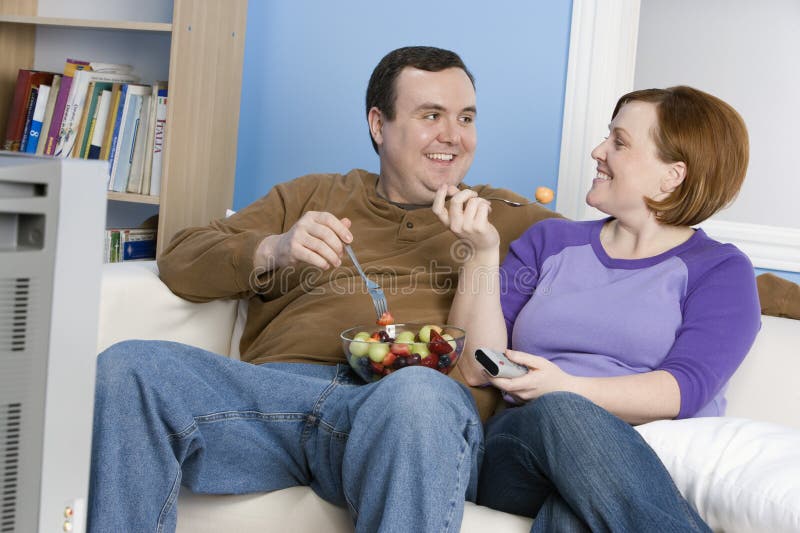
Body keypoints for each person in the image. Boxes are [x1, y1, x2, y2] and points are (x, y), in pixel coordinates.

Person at [88, 46, 557, 532]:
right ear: (379, 124)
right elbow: (180, 261)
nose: (453, 137)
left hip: (406, 415)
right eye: (431, 115)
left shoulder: (505, 216)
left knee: (418, 393)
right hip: (277, 399)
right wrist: (275, 248)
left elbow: (622, 251)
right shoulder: (312, 196)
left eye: (465, 117)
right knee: (130, 369)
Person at [434, 85, 761, 531]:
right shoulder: (549, 242)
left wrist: (567, 386)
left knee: (571, 517)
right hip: (523, 446)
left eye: (619, 143)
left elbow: (683, 389)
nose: (597, 151)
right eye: (607, 137)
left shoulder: (720, 270)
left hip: (641, 460)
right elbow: (474, 368)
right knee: (561, 411)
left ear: (672, 176)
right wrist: (482, 252)